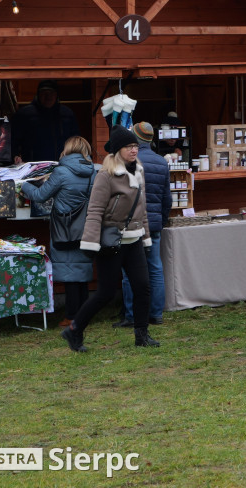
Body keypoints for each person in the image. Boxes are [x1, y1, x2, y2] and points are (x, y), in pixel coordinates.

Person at [61, 127, 159, 352]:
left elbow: (141, 210)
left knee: (143, 287)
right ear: (117, 150)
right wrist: (91, 243)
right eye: (129, 147)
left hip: (133, 240)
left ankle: (142, 335)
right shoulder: (105, 176)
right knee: (105, 293)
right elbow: (94, 211)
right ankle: (74, 330)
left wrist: (145, 237)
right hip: (111, 243)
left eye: (135, 146)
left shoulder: (139, 172)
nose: (134, 150)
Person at [19, 136, 96, 327]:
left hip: (65, 228)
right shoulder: (92, 172)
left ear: (67, 150)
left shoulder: (61, 172)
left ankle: (71, 316)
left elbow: (39, 195)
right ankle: (85, 314)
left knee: (69, 272)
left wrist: (23, 184)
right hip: (85, 227)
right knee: (83, 271)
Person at [115, 122, 171, 328]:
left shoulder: (127, 161)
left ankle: (131, 315)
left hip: (132, 224)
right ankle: (156, 314)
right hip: (154, 224)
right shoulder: (161, 162)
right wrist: (161, 220)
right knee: (155, 268)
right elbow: (167, 199)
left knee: (130, 271)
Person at [12, 80, 79, 163]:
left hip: (62, 164)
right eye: (44, 93)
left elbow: (75, 140)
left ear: (56, 95)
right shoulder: (25, 114)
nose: (48, 96)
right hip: (33, 166)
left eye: (51, 93)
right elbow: (14, 140)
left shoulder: (67, 114)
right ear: (38, 94)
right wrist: (15, 155)